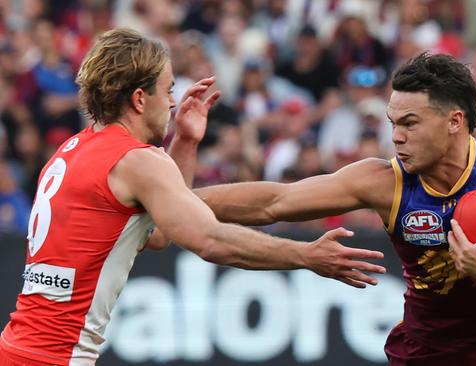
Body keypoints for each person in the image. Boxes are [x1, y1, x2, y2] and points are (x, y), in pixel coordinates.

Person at [0, 29, 386, 366]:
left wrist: (184, 141)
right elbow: (209, 239)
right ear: (139, 98)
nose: (172, 101)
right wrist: (305, 255)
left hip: (19, 347)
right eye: (167, 90)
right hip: (56, 357)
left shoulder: (71, 150)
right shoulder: (135, 160)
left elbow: (158, 233)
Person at [195, 52, 476, 365]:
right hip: (429, 349)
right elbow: (274, 202)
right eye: (393, 123)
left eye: (411, 123)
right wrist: (173, 200)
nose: (396, 137)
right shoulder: (385, 182)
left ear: (455, 121)